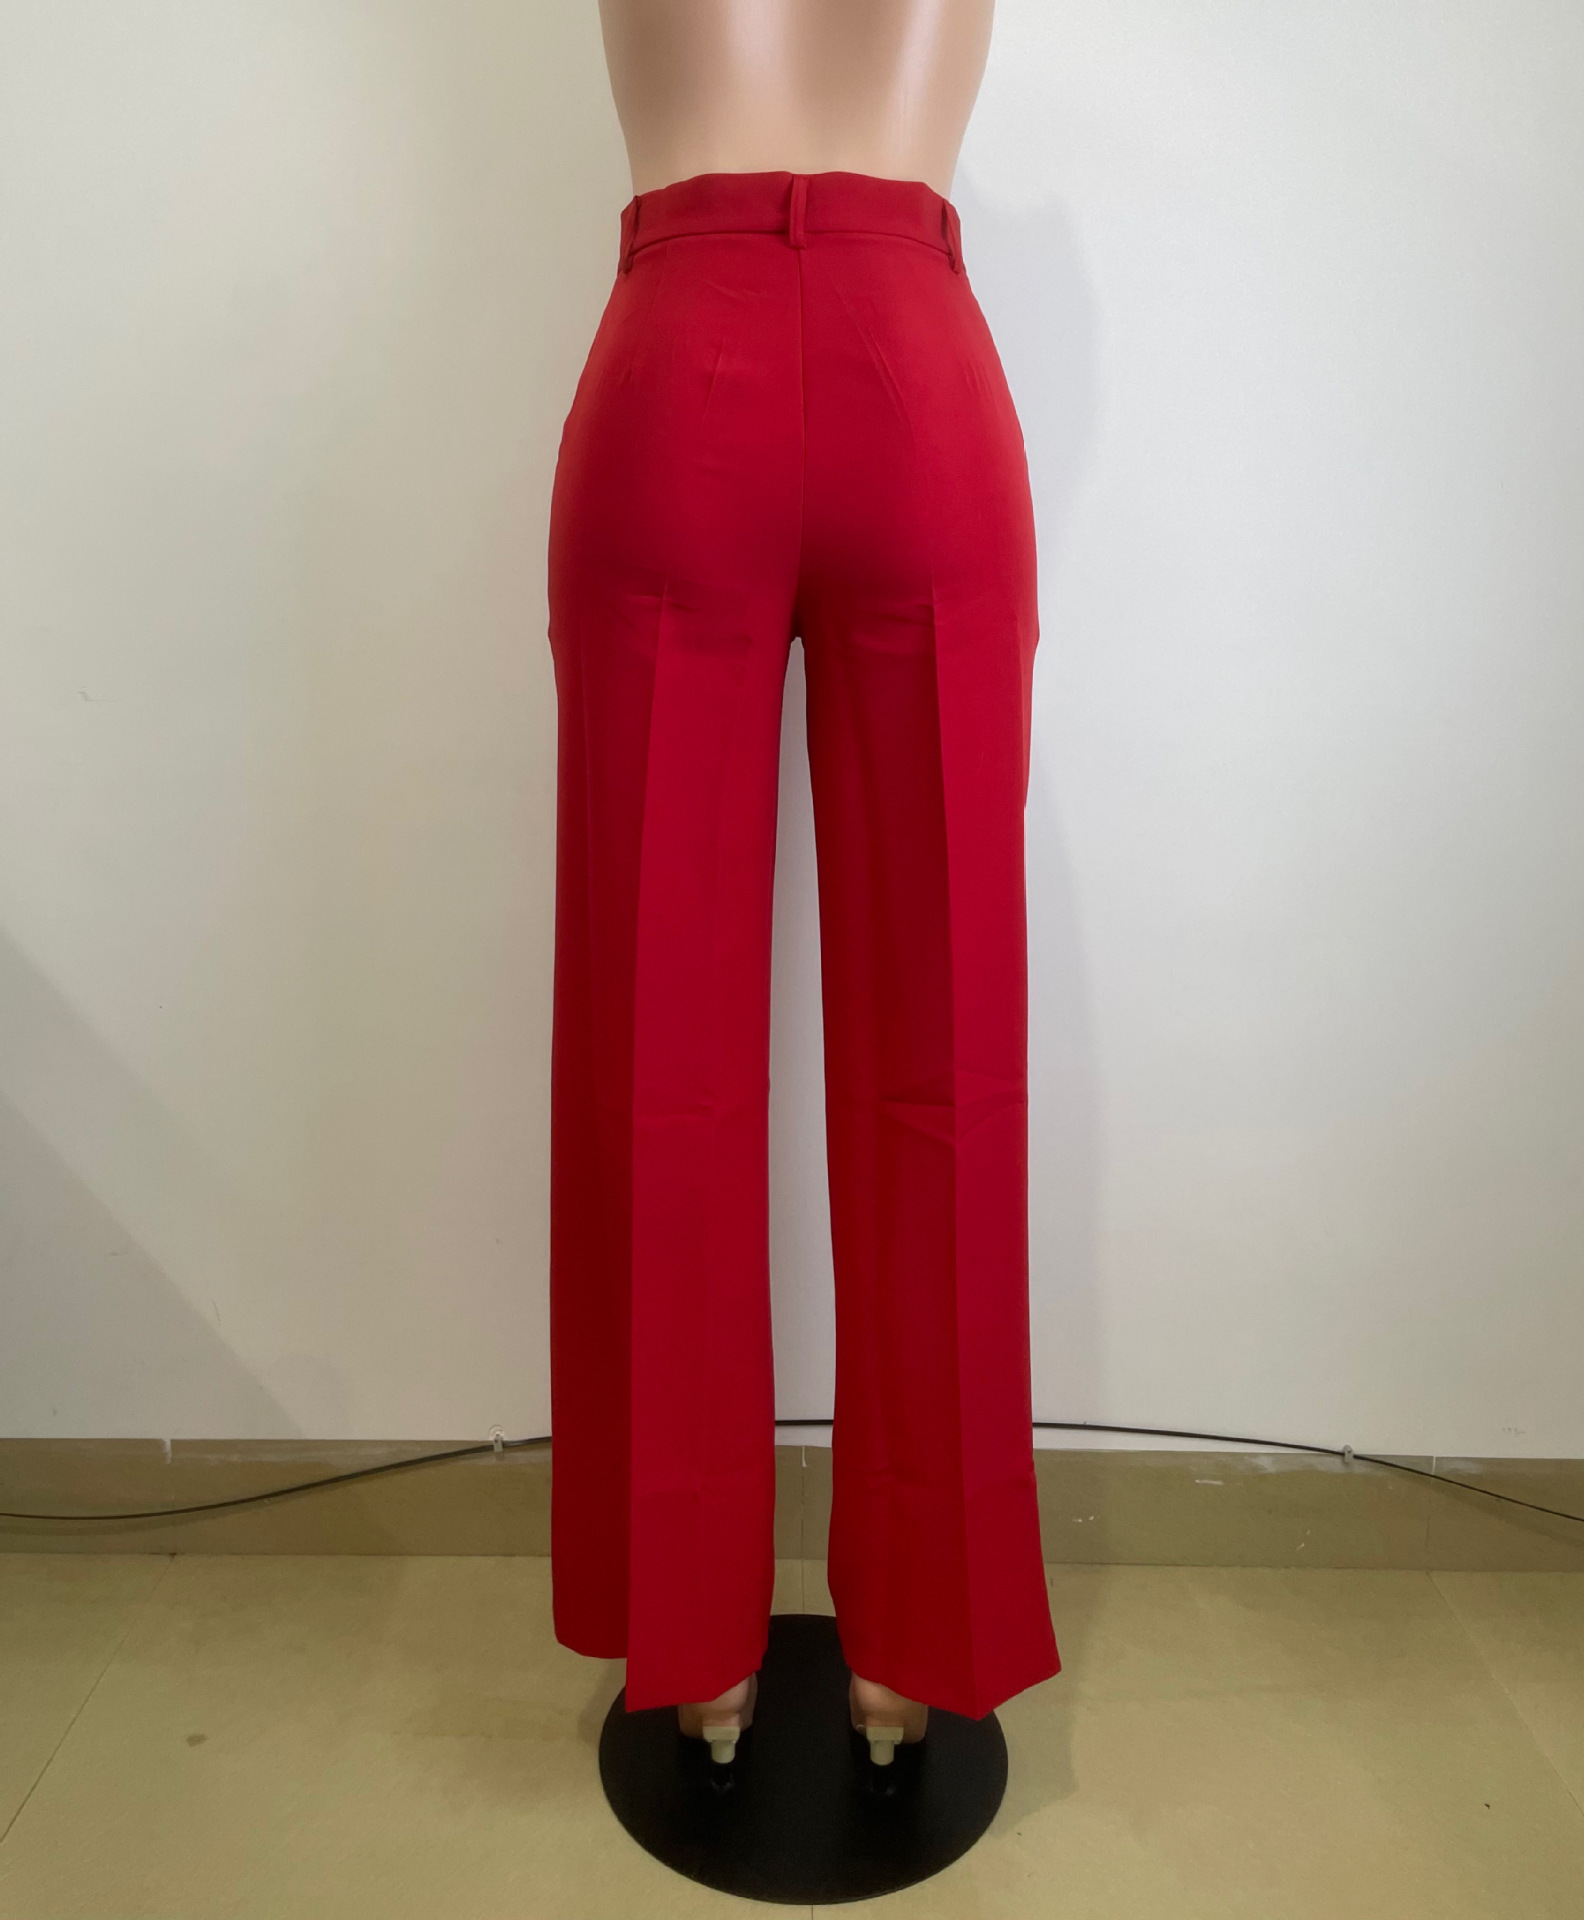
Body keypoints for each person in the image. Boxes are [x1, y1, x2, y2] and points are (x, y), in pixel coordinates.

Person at [546, 0, 1061, 1771]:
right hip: (917, 368)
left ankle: (691, 1636)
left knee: (656, 1053)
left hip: (674, 369)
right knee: (945, 1061)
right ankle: (918, 1642)